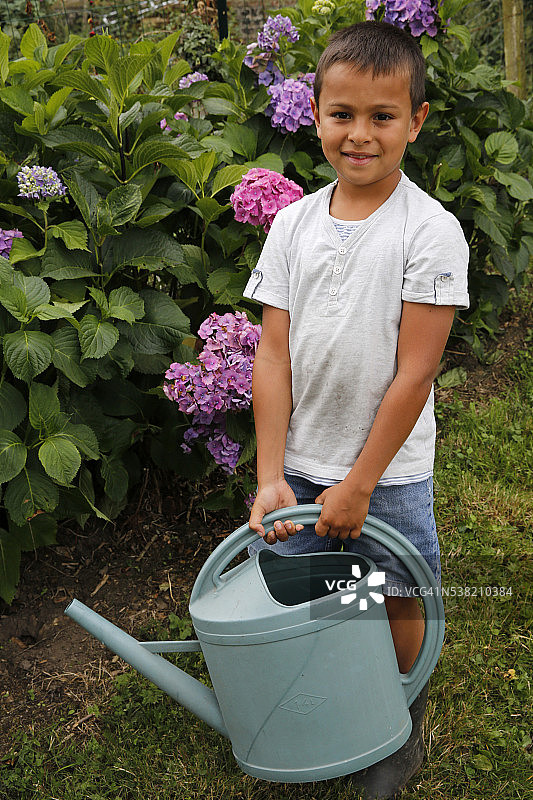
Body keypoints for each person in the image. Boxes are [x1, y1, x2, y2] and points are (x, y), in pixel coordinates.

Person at [242, 20, 469, 795]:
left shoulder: (429, 232)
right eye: (342, 114)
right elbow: (272, 355)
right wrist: (272, 475)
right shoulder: (292, 225)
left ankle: (399, 716)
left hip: (389, 473)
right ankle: (337, 686)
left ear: (415, 120)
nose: (359, 135)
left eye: (381, 116)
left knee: (397, 589)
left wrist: (361, 484)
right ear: (314, 113)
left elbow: (414, 374)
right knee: (303, 588)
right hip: (300, 464)